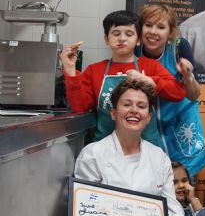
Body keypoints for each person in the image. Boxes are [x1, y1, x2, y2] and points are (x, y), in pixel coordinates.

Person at [74, 79, 186, 216]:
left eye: (141, 106)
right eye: (127, 104)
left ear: (149, 117)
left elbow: (172, 210)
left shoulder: (159, 157)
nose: (134, 111)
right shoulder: (93, 155)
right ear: (114, 113)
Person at [61, 10, 185, 146]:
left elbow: (178, 93)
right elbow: (80, 107)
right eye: (116, 33)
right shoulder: (94, 70)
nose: (122, 38)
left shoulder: (151, 66)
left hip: (146, 147)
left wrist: (150, 81)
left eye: (129, 34)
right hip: (105, 147)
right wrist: (70, 70)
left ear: (138, 40)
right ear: (106, 39)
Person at [138, 4, 205, 176]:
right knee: (155, 178)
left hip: (182, 122)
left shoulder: (179, 47)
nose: (153, 32)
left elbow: (193, 95)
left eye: (161, 27)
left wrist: (187, 76)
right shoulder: (134, 51)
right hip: (150, 127)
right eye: (148, 25)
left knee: (186, 181)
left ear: (170, 32)